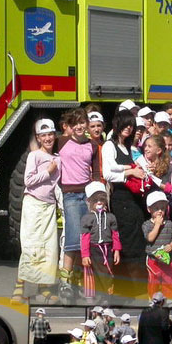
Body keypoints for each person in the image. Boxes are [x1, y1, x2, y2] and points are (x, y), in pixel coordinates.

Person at [14, 119, 62, 303]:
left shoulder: (57, 158)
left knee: (49, 249)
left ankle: (44, 288)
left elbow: (57, 186)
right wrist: (48, 172)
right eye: (44, 135)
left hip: (49, 207)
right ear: (38, 138)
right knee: (31, 245)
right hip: (33, 204)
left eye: (51, 134)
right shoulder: (34, 156)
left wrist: (61, 206)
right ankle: (19, 288)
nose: (48, 138)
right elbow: (28, 181)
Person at [102, 110, 148, 298]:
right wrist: (130, 172)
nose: (129, 128)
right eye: (126, 124)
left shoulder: (128, 147)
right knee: (125, 243)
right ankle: (124, 290)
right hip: (120, 201)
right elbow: (107, 173)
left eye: (132, 125)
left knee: (137, 241)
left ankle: (139, 289)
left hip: (134, 200)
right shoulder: (109, 145)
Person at [58, 108, 102, 301]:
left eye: (82, 122)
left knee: (89, 239)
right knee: (74, 238)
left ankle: (84, 281)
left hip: (87, 195)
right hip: (70, 195)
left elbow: (96, 174)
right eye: (75, 123)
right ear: (69, 126)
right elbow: (40, 147)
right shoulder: (62, 142)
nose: (79, 126)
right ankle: (65, 282)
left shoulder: (92, 146)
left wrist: (98, 197)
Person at [80, 182, 122, 304]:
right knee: (96, 276)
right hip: (94, 250)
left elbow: (115, 234)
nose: (99, 202)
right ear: (89, 202)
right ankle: (98, 300)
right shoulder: (87, 218)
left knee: (108, 274)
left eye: (101, 199)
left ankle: (107, 299)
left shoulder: (110, 217)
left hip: (107, 249)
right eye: (95, 200)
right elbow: (84, 237)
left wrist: (117, 250)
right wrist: (85, 255)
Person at [142, 191, 172, 301]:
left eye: (162, 208)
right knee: (154, 280)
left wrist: (171, 245)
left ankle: (169, 299)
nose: (159, 211)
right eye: (156, 208)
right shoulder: (147, 224)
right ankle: (153, 299)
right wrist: (157, 224)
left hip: (167, 259)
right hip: (153, 260)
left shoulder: (169, 224)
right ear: (149, 209)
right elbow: (150, 238)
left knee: (169, 278)